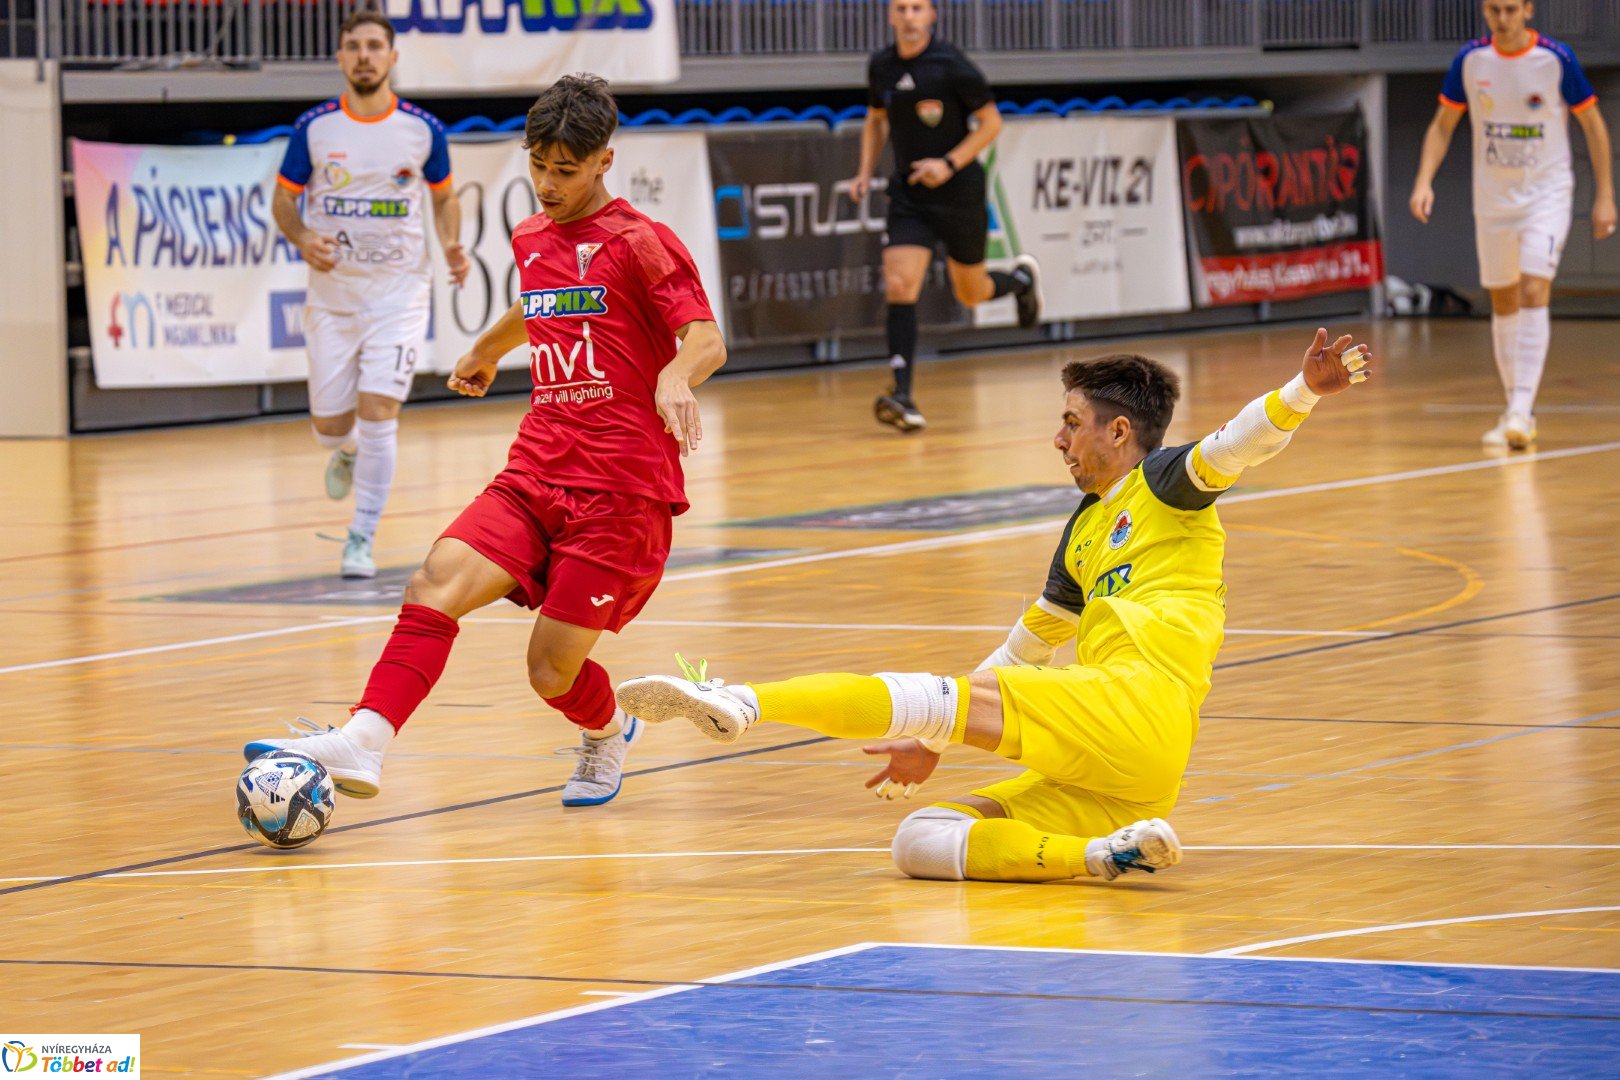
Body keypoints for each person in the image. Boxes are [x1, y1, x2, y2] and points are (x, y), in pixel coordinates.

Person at [618, 327, 1370, 884]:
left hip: (1138, 702)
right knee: (922, 839)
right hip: (1132, 770)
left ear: (1118, 431)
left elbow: (1239, 443)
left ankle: (742, 702)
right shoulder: (1082, 535)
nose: (1058, 439)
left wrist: (1303, 391)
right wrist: (938, 740)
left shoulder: (1168, 484)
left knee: (925, 697)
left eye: (1071, 422)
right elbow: (1022, 653)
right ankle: (1104, 855)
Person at [247, 74, 726, 808]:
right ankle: (365, 739)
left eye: (565, 170)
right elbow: (541, 305)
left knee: (550, 672)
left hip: (620, 493)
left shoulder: (642, 243)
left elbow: (706, 339)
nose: (547, 184)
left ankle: (609, 732)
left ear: (604, 162)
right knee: (433, 583)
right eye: (538, 165)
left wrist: (674, 376)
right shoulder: (532, 236)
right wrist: (484, 350)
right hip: (538, 467)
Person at [272, 9, 471, 579]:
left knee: (381, 410)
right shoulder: (314, 128)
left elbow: (444, 198)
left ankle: (360, 538)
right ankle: (348, 448)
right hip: (333, 299)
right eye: (354, 46)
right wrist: (302, 237)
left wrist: (451, 244)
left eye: (374, 46)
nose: (364, 56)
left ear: (392, 56)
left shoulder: (422, 129)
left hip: (399, 295)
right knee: (328, 429)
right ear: (340, 57)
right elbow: (283, 200)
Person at [1409, 0, 1614, 451]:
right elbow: (1443, 125)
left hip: (1547, 194)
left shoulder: (1555, 59)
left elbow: (1594, 126)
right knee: (1502, 299)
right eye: (1494, 10)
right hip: (1493, 199)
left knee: (1533, 289)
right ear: (1485, 12)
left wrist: (1604, 195)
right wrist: (1424, 180)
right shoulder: (1471, 60)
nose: (1502, 19)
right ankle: (1514, 411)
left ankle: (1522, 407)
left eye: (1510, 9)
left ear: (1527, 10)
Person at [853, 0, 1041, 434]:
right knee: (900, 284)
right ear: (891, 16)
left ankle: (1020, 281)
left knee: (971, 292)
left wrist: (949, 164)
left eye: (917, 8)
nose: (909, 17)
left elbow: (991, 124)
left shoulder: (952, 65)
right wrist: (864, 172)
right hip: (910, 193)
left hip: (960, 191)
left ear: (932, 15)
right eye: (901, 9)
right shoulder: (881, 65)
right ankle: (902, 395)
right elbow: (876, 119)